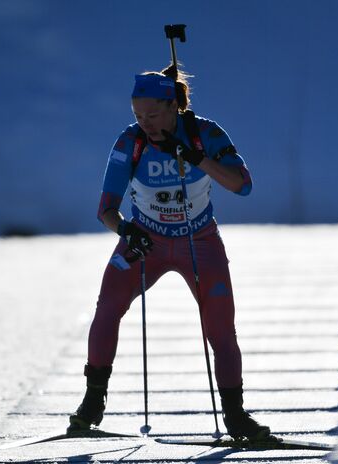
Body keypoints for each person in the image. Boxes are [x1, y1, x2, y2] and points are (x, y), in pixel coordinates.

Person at [67, 64, 271, 440]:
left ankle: (235, 415)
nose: (144, 122)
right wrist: (126, 229)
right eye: (137, 115)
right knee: (107, 307)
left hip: (201, 241)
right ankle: (92, 400)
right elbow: (106, 209)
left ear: (174, 106)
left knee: (221, 329)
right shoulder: (131, 142)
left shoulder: (205, 134)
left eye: (153, 114)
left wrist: (196, 159)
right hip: (146, 239)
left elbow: (242, 186)